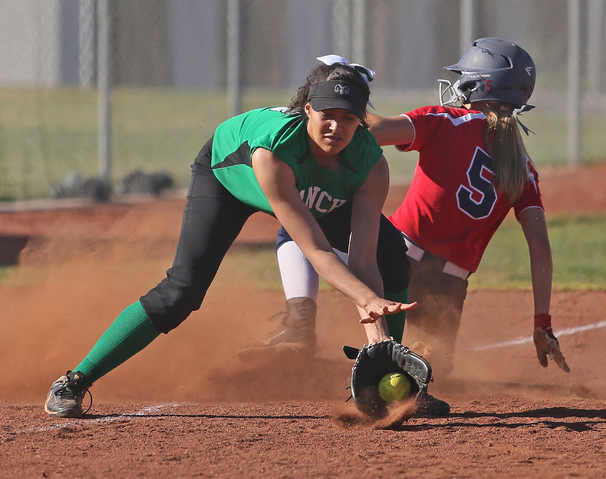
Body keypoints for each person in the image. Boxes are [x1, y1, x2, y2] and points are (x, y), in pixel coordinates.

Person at [43, 59, 416, 419]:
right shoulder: (275, 149)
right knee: (181, 292)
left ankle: (388, 381)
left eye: (348, 117)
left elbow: (364, 261)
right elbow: (315, 248)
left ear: (361, 121)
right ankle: (73, 381)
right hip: (229, 177)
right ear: (307, 110)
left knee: (390, 255)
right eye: (326, 115)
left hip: (307, 189)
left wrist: (378, 337)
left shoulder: (370, 163)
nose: (336, 125)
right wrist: (366, 298)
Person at [259, 38, 570, 380]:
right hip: (447, 289)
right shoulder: (524, 168)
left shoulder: (446, 121)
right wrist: (543, 322)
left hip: (397, 263)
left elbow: (373, 130)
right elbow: (540, 248)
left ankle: (301, 326)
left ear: (475, 85)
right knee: (426, 373)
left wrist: (346, 86)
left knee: (301, 221)